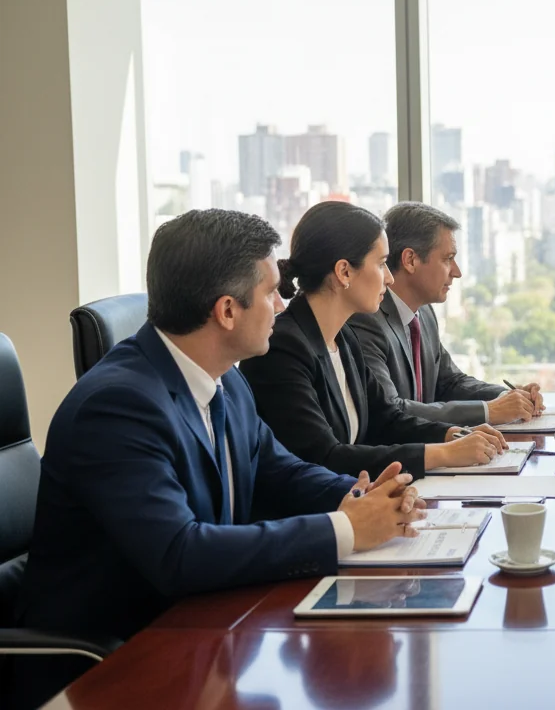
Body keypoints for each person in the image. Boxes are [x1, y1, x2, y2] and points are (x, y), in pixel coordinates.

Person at [17, 210, 427, 698]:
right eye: (272, 291)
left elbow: (278, 470)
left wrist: (362, 495)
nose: (282, 304)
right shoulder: (116, 406)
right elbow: (179, 553)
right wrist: (346, 529)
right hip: (114, 660)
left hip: (207, 630)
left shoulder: (225, 377)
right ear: (227, 311)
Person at [239, 201, 506, 480]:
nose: (389, 278)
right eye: (381, 264)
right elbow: (324, 457)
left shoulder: (345, 339)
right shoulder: (283, 348)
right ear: (344, 272)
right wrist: (443, 453)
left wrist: (454, 434)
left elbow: (387, 418)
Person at [349, 202, 545, 426]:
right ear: (410, 260)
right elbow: (392, 410)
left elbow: (449, 382)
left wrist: (506, 397)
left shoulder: (423, 312)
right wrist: (488, 411)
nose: (457, 272)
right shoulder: (366, 321)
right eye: (448, 258)